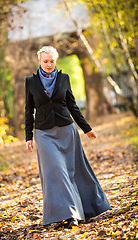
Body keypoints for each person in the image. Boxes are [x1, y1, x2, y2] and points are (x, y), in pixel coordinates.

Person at [25, 46, 111, 228]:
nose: (49, 64)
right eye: (45, 61)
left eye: (52, 61)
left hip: (67, 131)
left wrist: (86, 128)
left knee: (74, 171)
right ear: (39, 61)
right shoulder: (30, 82)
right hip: (44, 133)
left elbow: (73, 106)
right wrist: (28, 136)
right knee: (57, 172)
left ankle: (85, 210)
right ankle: (70, 213)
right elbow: (28, 111)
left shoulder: (64, 79)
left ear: (56, 61)